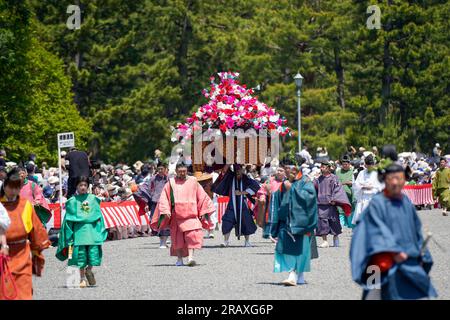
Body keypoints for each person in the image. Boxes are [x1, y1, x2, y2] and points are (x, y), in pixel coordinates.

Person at [350, 161, 437, 300]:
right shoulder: (376, 204)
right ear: (385, 180)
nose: (396, 183)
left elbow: (416, 232)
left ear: (404, 181)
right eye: (392, 178)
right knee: (375, 295)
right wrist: (393, 251)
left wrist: (423, 256)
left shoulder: (406, 203)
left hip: (406, 261)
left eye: (400, 178)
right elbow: (371, 233)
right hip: (379, 264)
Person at [150, 162, 215, 266]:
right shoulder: (170, 183)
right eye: (180, 172)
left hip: (191, 215)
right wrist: (166, 210)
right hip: (176, 215)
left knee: (192, 237)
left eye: (184, 171)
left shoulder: (193, 181)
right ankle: (179, 259)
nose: (182, 173)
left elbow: (202, 196)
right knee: (177, 240)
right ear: (176, 171)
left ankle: (190, 258)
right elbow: (164, 198)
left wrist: (203, 211)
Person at [0, 168, 50, 299]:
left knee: (24, 293)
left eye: (17, 187)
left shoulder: (25, 205)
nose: (13, 190)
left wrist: (37, 254)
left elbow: (36, 231)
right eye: (10, 187)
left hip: (22, 255)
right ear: (4, 186)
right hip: (3, 256)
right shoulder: (0, 206)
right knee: (6, 293)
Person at [270, 163, 318, 286]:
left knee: (302, 250)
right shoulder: (285, 183)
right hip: (286, 222)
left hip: (302, 222)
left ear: (295, 169)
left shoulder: (306, 181)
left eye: (287, 169)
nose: (285, 172)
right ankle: (295, 275)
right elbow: (279, 202)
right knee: (287, 249)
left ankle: (296, 275)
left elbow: (310, 198)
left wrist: (292, 189)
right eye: (284, 169)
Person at [56, 176, 107, 288]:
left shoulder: (94, 199)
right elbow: (68, 221)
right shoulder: (71, 201)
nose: (83, 187)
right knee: (79, 257)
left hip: (92, 233)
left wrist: (100, 231)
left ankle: (89, 270)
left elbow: (99, 217)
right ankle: (82, 278)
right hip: (78, 234)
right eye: (80, 185)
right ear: (76, 187)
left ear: (88, 186)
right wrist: (68, 236)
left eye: (85, 185)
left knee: (93, 256)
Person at [212, 164, 261, 247]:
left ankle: (247, 242)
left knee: (246, 221)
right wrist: (229, 162)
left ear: (242, 170)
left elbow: (256, 187)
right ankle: (226, 241)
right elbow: (224, 171)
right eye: (236, 170)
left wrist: (242, 192)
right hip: (232, 204)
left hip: (243, 204)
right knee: (227, 220)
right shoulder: (230, 177)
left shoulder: (246, 178)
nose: (238, 171)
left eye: (240, 170)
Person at [314, 160, 351, 248]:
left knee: (334, 222)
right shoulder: (318, 179)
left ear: (328, 168)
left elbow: (338, 189)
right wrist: (313, 180)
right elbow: (313, 188)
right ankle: (325, 240)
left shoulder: (334, 178)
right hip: (321, 204)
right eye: (321, 166)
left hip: (331, 203)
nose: (321, 168)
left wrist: (335, 199)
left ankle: (335, 237)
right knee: (322, 222)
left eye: (323, 166)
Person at [134, 162, 170, 246]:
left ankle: (164, 240)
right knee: (156, 221)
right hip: (155, 202)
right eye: (159, 169)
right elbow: (146, 189)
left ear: (165, 169)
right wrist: (146, 203)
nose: (160, 171)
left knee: (166, 221)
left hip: (167, 203)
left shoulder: (170, 179)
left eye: (162, 169)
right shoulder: (153, 179)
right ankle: (162, 240)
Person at [255, 167, 285, 240]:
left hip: (283, 203)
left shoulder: (286, 182)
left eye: (281, 171)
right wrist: (262, 196)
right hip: (272, 203)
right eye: (278, 170)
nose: (278, 172)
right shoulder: (269, 181)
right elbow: (263, 189)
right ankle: (270, 233)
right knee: (272, 217)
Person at [352, 155, 383, 224]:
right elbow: (356, 184)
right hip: (363, 197)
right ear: (365, 165)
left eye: (371, 165)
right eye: (368, 165)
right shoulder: (361, 173)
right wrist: (362, 186)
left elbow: (381, 186)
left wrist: (372, 187)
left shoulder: (377, 173)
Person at [335, 155, 355, 229]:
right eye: (343, 164)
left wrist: (348, 183)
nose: (345, 165)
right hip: (340, 195)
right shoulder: (338, 172)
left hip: (349, 196)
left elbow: (354, 182)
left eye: (346, 164)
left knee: (349, 211)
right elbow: (336, 182)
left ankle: (350, 226)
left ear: (349, 164)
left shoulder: (352, 171)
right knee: (341, 211)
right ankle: (342, 226)